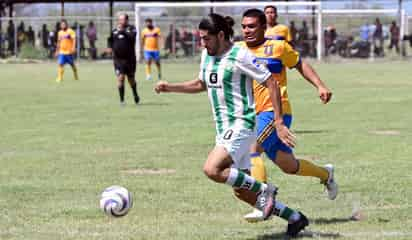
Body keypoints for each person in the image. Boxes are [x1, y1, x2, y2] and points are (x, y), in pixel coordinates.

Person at [155, 13, 308, 237]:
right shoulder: (207, 55)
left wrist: (278, 121)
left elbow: (271, 83)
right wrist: (170, 87)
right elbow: (201, 84)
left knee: (212, 169)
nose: (202, 43)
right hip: (223, 128)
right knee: (242, 193)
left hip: (242, 125)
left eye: (206, 38)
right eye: (200, 38)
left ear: (220, 35)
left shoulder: (240, 55)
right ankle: (295, 218)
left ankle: (266, 189)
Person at [237, 9, 337, 223]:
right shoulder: (237, 49)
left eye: (252, 26)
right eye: (244, 26)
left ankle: (261, 200)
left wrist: (320, 85)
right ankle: (325, 174)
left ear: (264, 27)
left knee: (252, 149)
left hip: (276, 111)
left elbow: (300, 64)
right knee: (289, 166)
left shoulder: (278, 47)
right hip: (251, 113)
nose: (247, 30)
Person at [107, 13, 140, 106]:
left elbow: (132, 37)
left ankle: (135, 94)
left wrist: (123, 31)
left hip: (130, 60)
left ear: (127, 20)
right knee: (121, 78)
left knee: (131, 80)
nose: (121, 21)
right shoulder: (114, 31)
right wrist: (109, 47)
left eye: (123, 20)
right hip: (118, 60)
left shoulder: (132, 29)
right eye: (119, 20)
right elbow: (110, 40)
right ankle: (122, 100)